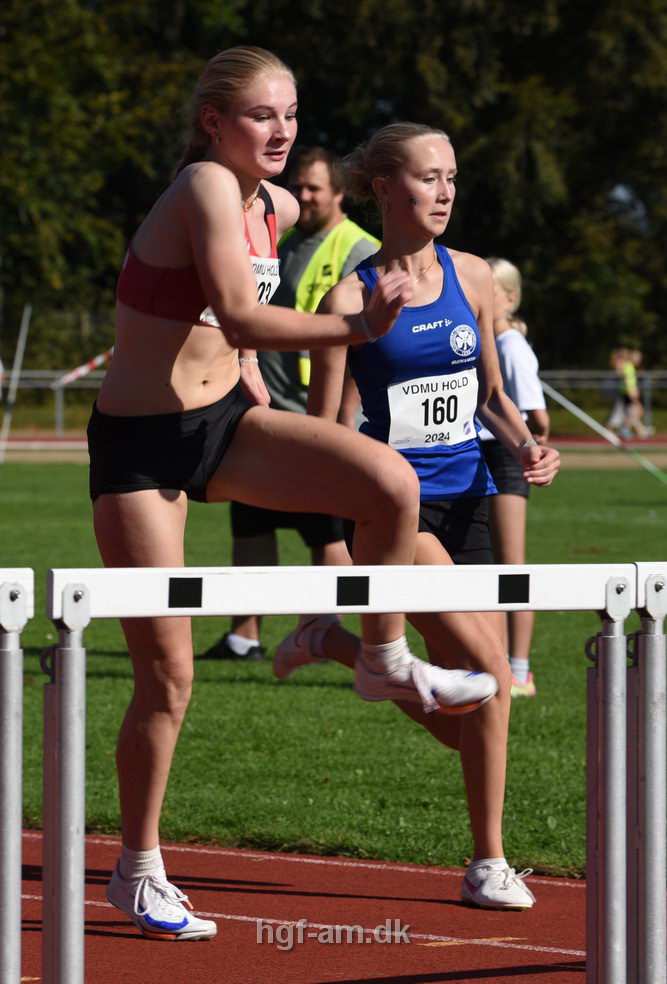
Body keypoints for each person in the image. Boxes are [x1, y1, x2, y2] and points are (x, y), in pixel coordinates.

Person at [89, 49, 498, 941]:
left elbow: (227, 326)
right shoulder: (203, 185)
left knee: (386, 482)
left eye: (291, 114)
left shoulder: (271, 205)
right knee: (169, 673)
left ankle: (380, 656)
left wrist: (245, 378)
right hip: (141, 446)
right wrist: (355, 326)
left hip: (224, 425)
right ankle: (138, 868)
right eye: (261, 116)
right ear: (212, 123)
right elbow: (237, 310)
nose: (281, 132)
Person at [272, 123, 560, 909]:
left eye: (452, 178)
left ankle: (334, 644)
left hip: (468, 495)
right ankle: (488, 863)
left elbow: (492, 395)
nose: (444, 193)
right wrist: (336, 522)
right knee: (493, 677)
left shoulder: (469, 276)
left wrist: (527, 444)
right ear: (385, 189)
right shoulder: (349, 295)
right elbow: (330, 426)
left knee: (465, 706)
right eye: (428, 178)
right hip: (399, 511)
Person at [201, 146, 379, 662]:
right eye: (298, 186)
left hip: (314, 411)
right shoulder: (278, 235)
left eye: (314, 188)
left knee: (323, 526)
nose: (303, 195)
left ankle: (323, 629)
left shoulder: (360, 249)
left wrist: (343, 415)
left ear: (339, 193)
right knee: (250, 522)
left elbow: (366, 340)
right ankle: (244, 636)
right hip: (261, 407)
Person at [478, 258, 549, 697]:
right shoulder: (489, 341)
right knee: (490, 564)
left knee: (511, 564)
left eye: (489, 289)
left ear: (508, 297)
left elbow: (536, 417)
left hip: (505, 457)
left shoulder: (510, 347)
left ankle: (520, 670)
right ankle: (498, 662)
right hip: (483, 453)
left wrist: (526, 446)